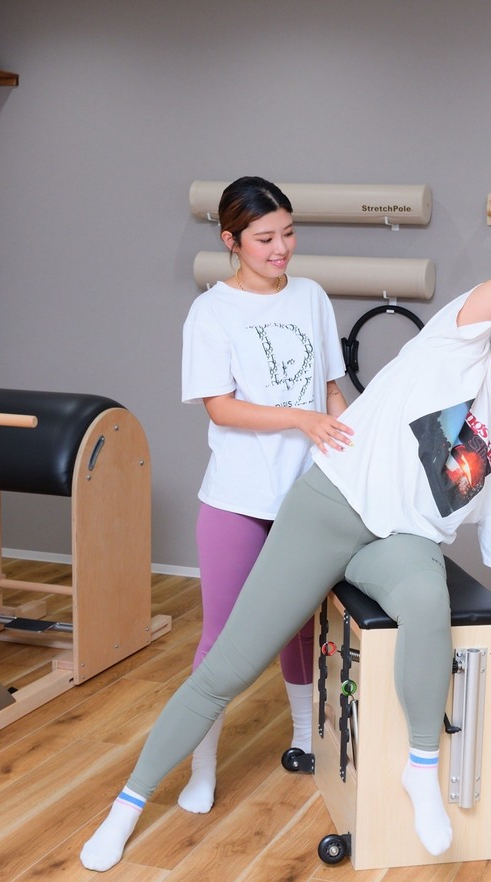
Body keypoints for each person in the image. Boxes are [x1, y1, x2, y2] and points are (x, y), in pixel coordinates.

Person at [81, 179, 491, 871]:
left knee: (425, 599)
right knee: (228, 667)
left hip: (402, 542)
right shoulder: (455, 343)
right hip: (331, 507)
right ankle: (127, 807)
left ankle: (421, 768)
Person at [176, 176, 351, 815]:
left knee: (300, 626)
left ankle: (305, 738)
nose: (281, 249)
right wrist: (300, 419)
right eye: (265, 238)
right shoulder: (212, 312)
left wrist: (350, 450)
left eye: (289, 233)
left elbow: (330, 391)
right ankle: (200, 768)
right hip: (238, 498)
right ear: (232, 240)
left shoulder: (311, 297)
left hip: (305, 498)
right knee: (222, 638)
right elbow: (220, 408)